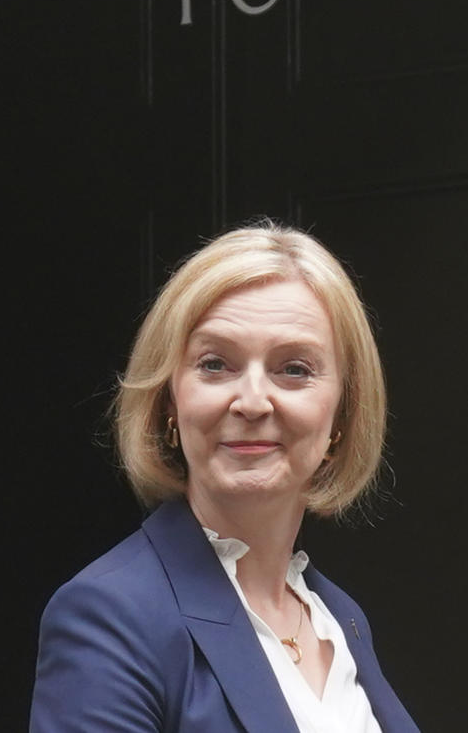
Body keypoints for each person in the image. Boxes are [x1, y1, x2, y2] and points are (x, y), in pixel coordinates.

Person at [29, 223, 418, 732]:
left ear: (343, 415)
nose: (253, 400)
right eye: (215, 364)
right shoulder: (110, 615)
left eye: (295, 368)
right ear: (170, 401)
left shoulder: (338, 618)